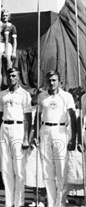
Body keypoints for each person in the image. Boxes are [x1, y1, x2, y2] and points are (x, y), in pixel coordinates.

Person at [36, 70, 77, 207]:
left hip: (60, 131)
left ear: (59, 81)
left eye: (54, 80)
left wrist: (74, 139)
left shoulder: (67, 96)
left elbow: (73, 116)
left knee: (61, 169)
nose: (51, 83)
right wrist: (35, 134)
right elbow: (37, 116)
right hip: (45, 131)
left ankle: (60, 203)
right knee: (47, 171)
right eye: (49, 80)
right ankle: (51, 202)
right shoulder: (42, 96)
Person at [0, 67, 31, 207]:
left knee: (19, 168)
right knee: (6, 167)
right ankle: (9, 202)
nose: (11, 78)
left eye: (14, 76)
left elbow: (28, 118)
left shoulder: (24, 94)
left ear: (18, 77)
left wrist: (26, 137)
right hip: (5, 128)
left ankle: (19, 202)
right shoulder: (2, 94)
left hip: (18, 129)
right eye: (9, 76)